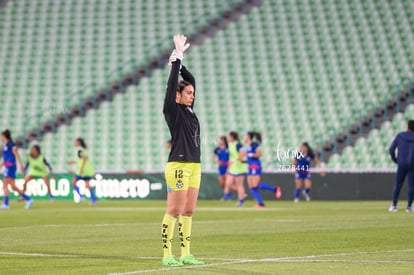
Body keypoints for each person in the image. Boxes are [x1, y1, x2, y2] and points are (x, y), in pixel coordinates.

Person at [161, 34, 204, 266]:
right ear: (178, 96)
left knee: (188, 211)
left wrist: (182, 63)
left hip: (195, 166)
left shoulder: (189, 111)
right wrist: (175, 62)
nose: (192, 95)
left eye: (193, 93)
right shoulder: (173, 110)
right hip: (178, 165)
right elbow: (171, 86)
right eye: (188, 93)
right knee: (174, 209)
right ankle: (167, 255)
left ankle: (185, 254)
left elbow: (192, 80)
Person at [244, 132, 282, 208]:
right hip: (250, 167)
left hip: (255, 166)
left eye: (245, 136)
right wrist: (244, 161)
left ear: (248, 137)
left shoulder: (253, 145)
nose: (244, 137)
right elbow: (250, 157)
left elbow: (259, 154)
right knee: (252, 186)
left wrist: (249, 155)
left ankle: (274, 189)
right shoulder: (248, 147)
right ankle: (260, 203)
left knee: (255, 185)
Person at [0, 129, 33, 209]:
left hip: (10, 166)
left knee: (5, 184)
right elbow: (6, 158)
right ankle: (28, 199)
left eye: (1, 136)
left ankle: (6, 204)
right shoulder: (6, 145)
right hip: (8, 165)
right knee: (13, 186)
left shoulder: (10, 144)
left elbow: (16, 153)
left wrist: (21, 165)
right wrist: (1, 165)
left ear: (4, 136)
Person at [388, 120, 414, 212]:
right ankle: (409, 207)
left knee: (398, 184)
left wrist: (396, 160)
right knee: (412, 186)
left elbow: (391, 150)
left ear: (407, 127)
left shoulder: (400, 136)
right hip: (413, 165)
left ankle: (394, 205)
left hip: (401, 163)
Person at [67, 138, 96, 205]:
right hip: (88, 170)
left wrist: (81, 169)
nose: (74, 143)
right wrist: (73, 162)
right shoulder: (83, 149)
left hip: (83, 170)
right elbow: (81, 160)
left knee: (73, 183)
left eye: (75, 142)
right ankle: (93, 200)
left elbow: (84, 158)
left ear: (79, 142)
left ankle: (81, 196)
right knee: (88, 185)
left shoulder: (79, 149)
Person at [223, 131, 247, 206]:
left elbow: (242, 154)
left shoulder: (238, 144)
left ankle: (241, 201)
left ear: (232, 137)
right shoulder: (229, 144)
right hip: (232, 167)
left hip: (239, 167)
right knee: (228, 183)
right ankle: (243, 195)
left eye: (228, 136)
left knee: (239, 184)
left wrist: (234, 160)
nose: (227, 137)